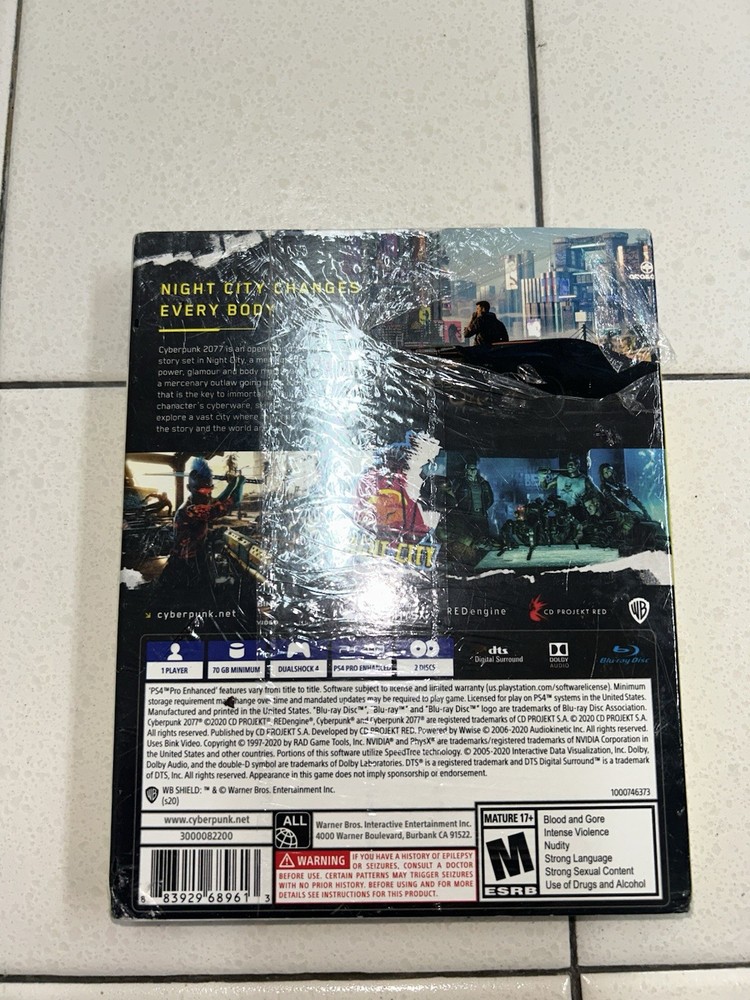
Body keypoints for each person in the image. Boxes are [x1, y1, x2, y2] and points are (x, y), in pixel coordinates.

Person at [159, 457, 245, 590]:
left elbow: (215, 501)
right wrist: (239, 484)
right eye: (202, 491)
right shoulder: (193, 509)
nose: (206, 495)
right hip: (186, 562)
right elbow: (232, 502)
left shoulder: (195, 501)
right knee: (194, 592)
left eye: (208, 490)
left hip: (193, 555)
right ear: (190, 488)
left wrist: (231, 485)